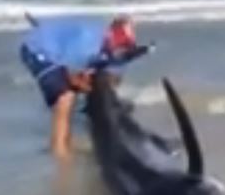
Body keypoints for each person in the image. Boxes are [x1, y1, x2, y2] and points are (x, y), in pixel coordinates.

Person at [20, 14, 149, 162]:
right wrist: (87, 86)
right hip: (39, 49)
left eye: (127, 44)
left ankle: (73, 136)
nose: (122, 48)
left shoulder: (120, 48)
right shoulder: (88, 41)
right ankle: (59, 150)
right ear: (110, 33)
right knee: (65, 96)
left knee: (93, 87)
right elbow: (71, 77)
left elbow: (113, 79)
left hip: (65, 47)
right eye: (121, 42)